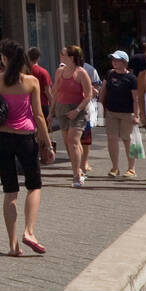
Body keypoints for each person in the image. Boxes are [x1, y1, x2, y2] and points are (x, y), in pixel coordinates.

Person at [0, 39, 55, 256]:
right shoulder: (31, 82)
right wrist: (47, 144)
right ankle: (29, 231)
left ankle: (13, 245)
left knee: (10, 190)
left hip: (1, 139)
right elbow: (39, 116)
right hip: (25, 138)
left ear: (3, 58)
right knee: (34, 185)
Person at [53, 45, 94, 186]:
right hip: (62, 108)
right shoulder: (59, 71)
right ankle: (80, 168)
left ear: (71, 57)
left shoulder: (81, 72)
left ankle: (76, 175)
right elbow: (55, 92)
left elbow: (89, 94)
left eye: (63, 54)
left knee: (73, 141)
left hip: (78, 109)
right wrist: (51, 111)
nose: (61, 56)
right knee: (69, 143)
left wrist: (77, 110)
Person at [100, 50, 139, 178]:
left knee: (128, 140)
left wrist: (136, 115)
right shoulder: (110, 74)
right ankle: (115, 167)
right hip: (111, 112)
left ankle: (131, 168)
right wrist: (100, 110)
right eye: (113, 60)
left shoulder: (131, 78)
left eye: (117, 60)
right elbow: (103, 92)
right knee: (112, 140)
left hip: (127, 113)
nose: (114, 62)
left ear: (124, 62)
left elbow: (136, 99)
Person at [25, 47, 53, 125]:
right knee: (43, 128)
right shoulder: (43, 72)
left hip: (28, 105)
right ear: (38, 58)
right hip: (42, 104)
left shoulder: (24, 72)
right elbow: (47, 91)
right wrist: (53, 106)